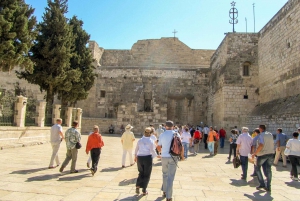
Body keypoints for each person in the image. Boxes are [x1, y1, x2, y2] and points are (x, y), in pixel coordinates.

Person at [157, 120, 184, 201]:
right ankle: (169, 197)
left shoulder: (162, 135)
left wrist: (162, 152)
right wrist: (182, 156)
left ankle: (165, 191)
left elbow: (158, 147)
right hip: (173, 157)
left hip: (164, 157)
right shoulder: (176, 134)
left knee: (164, 174)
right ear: (173, 126)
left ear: (165, 126)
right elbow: (181, 146)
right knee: (170, 177)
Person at [134, 127, 157, 196]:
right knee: (147, 174)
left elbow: (136, 149)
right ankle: (144, 190)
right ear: (150, 133)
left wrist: (135, 156)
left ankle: (138, 185)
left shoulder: (140, 140)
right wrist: (156, 156)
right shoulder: (151, 141)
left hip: (140, 157)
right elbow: (152, 150)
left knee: (141, 172)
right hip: (147, 158)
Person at [251, 124, 274, 192]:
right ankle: (268, 186)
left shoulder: (261, 135)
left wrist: (255, 153)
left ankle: (262, 184)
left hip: (263, 154)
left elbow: (261, 145)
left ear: (260, 129)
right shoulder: (270, 134)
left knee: (257, 168)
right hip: (271, 153)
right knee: (269, 169)